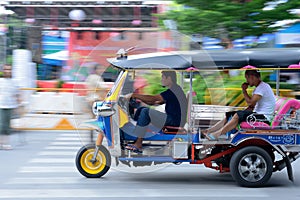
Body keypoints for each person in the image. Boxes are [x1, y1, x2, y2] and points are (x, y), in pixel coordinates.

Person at [203, 69, 276, 141]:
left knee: (237, 115)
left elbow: (250, 103)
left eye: (247, 78)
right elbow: (251, 107)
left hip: (263, 118)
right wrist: (240, 112)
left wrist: (244, 91)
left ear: (252, 77)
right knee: (230, 114)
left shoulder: (262, 88)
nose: (247, 81)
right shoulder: (259, 88)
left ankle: (216, 134)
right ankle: (208, 131)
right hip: (258, 115)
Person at [125, 71, 187, 153]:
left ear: (169, 78)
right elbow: (153, 102)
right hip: (174, 119)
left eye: (163, 77)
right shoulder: (174, 90)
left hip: (174, 121)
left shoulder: (173, 90)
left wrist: (134, 95)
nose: (161, 80)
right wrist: (140, 99)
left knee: (145, 112)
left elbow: (154, 99)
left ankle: (138, 143)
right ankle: (138, 134)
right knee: (142, 110)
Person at [0, 64, 21, 150]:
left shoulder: (14, 82)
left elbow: (17, 94)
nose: (8, 71)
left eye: (9, 69)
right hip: (0, 105)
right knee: (1, 125)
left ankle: (6, 143)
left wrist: (19, 105)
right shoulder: (0, 81)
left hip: (10, 105)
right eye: (6, 69)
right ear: (3, 70)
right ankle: (2, 142)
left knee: (7, 125)